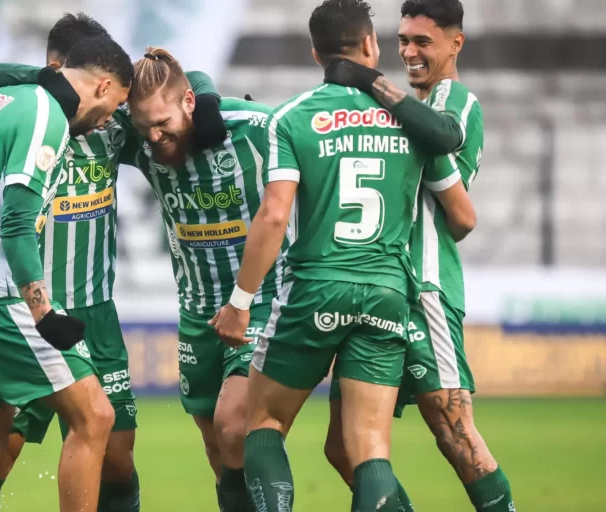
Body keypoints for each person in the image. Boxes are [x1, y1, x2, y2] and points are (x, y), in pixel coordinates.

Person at [209, 0, 472, 509]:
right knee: (369, 448)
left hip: (315, 287)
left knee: (261, 424)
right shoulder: (412, 121)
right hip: (386, 292)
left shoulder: (291, 117)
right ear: (371, 45)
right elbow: (462, 217)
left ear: (315, 53)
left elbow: (273, 216)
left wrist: (241, 301)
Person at [0, 14, 227, 512]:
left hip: (94, 314)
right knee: (0, 452)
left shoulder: (112, 125)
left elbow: (179, 83)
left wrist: (207, 99)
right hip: (26, 313)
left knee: (117, 456)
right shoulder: (30, 116)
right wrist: (50, 80)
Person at [320, 1, 516, 510]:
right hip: (375, 289)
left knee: (455, 433)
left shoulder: (457, 103)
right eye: (403, 40)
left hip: (423, 288)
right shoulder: (403, 109)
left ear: (456, 43)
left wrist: (368, 84)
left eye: (422, 42)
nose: (408, 51)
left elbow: (461, 215)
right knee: (343, 448)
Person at [0, 33, 134, 512]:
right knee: (95, 417)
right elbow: (17, 218)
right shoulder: (47, 114)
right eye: (112, 107)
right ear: (102, 87)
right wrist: (42, 309)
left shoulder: (6, 100)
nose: (106, 121)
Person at [117, 47, 287, 512]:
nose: (153, 136)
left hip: (259, 303)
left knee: (236, 428)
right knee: (218, 452)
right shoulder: (140, 139)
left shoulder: (253, 126)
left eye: (162, 123)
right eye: (143, 126)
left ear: (189, 102)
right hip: (196, 313)